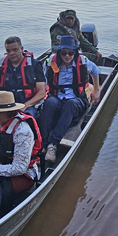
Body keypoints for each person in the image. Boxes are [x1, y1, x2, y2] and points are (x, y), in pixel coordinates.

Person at [38, 35, 101, 163]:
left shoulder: (83, 61)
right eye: (64, 53)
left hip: (76, 99)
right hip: (57, 97)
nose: (67, 56)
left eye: (70, 53)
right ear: (60, 52)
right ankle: (42, 145)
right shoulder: (51, 61)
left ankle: (53, 145)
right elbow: (43, 79)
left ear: (75, 52)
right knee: (49, 103)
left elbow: (96, 71)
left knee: (70, 104)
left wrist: (96, 91)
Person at [0, 36, 46, 130]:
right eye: (8, 51)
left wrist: (26, 105)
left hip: (25, 103)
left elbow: (41, 92)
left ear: (21, 49)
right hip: (4, 103)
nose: (12, 53)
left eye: (15, 50)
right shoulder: (1, 64)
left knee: (28, 119)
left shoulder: (34, 65)